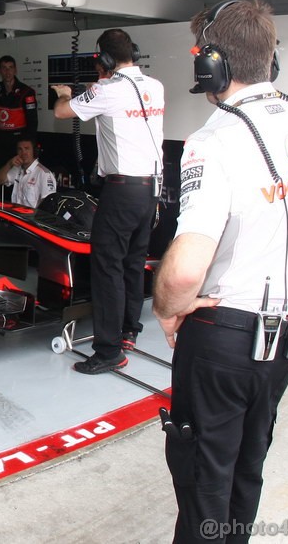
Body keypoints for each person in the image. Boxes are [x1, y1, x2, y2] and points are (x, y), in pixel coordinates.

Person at [153, 0, 288, 543]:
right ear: (267, 60)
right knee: (245, 471)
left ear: (211, 65)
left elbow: (185, 271)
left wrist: (167, 309)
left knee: (205, 485)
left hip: (224, 340)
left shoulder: (216, 140)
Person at [52, 29, 165, 373]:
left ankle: (108, 350)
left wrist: (64, 93)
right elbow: (118, 101)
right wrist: (96, 88)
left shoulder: (105, 91)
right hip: (151, 188)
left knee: (107, 268)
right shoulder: (154, 86)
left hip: (120, 191)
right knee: (133, 262)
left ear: (103, 60)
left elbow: (60, 112)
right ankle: (130, 329)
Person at [0, 55, 38, 176]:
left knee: (15, 178)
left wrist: (29, 146)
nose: (8, 72)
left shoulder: (26, 91)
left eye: (10, 68)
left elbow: (32, 121)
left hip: (17, 142)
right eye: (4, 68)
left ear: (15, 70)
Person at [0, 137, 57, 208]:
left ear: (34, 151)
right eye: (20, 149)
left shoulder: (44, 174)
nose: (23, 153)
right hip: (15, 215)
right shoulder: (17, 168)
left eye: (27, 148)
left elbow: (49, 204)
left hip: (31, 218)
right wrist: (9, 164)